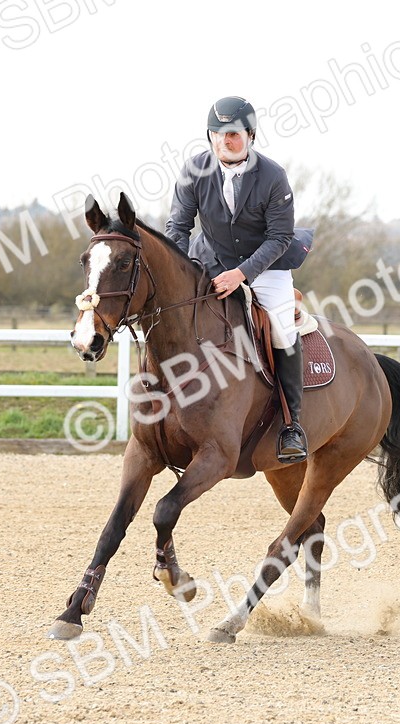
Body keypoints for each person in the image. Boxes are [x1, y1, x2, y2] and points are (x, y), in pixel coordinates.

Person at [166, 96, 312, 464]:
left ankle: (292, 423)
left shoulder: (273, 176)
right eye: (216, 134)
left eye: (232, 135)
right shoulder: (193, 170)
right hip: (210, 260)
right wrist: (178, 273)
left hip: (266, 266)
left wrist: (243, 273)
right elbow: (178, 228)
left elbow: (279, 238)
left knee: (281, 327)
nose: (223, 142)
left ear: (250, 135)